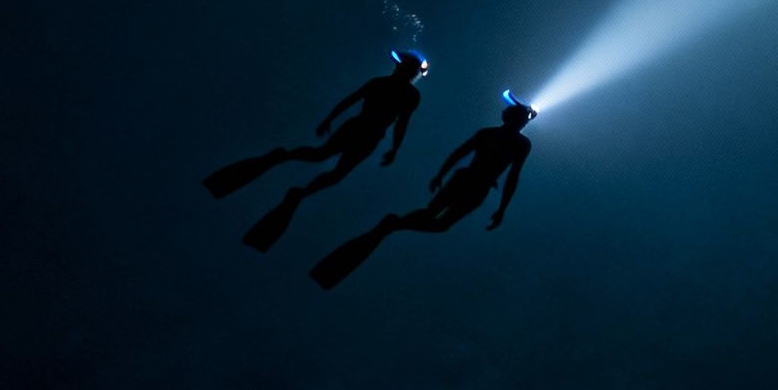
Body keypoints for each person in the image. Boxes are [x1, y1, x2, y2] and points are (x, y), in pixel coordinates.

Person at [201, 49, 427, 250]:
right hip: (365, 133)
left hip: (366, 134)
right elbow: (385, 116)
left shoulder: (392, 89)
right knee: (326, 162)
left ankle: (291, 173)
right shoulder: (397, 90)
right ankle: (292, 174)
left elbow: (392, 119)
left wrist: (331, 119)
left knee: (327, 163)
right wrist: (392, 148)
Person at [310, 91, 536, 290]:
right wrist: (501, 208)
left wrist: (441, 175)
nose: (525, 122)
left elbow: (460, 154)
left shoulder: (488, 134)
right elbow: (510, 176)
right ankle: (393, 224)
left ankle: (392, 225)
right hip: (474, 186)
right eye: (524, 119)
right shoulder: (519, 144)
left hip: (464, 181)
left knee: (433, 217)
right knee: (438, 223)